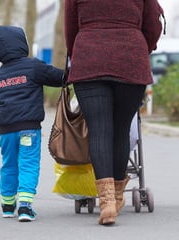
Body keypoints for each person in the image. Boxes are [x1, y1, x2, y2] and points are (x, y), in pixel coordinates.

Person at [64, 0, 164, 225]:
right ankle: (117, 197)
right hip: (130, 58)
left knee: (99, 130)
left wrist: (78, 53)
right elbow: (153, 24)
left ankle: (106, 201)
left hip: (89, 58)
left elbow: (70, 28)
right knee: (120, 130)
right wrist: (140, 47)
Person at [0, 25, 64, 222]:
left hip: (6, 131)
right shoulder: (33, 67)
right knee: (28, 163)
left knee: (8, 165)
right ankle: (26, 207)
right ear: (22, 44)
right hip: (29, 128)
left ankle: (8, 205)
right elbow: (59, 77)